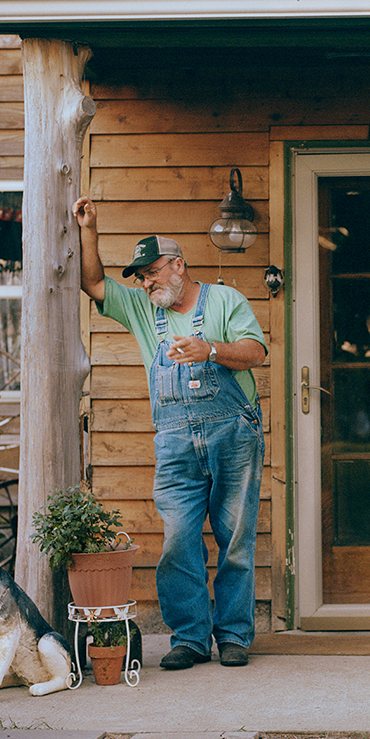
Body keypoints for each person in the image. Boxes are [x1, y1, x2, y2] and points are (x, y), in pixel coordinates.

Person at [73, 197, 267, 670]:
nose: (145, 281)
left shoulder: (225, 300)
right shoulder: (143, 308)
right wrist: (90, 229)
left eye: (152, 271)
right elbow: (91, 281)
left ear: (178, 265)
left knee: (235, 538)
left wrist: (210, 349)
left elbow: (255, 352)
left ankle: (234, 636)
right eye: (141, 276)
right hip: (176, 439)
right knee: (180, 539)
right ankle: (190, 638)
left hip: (232, 434)